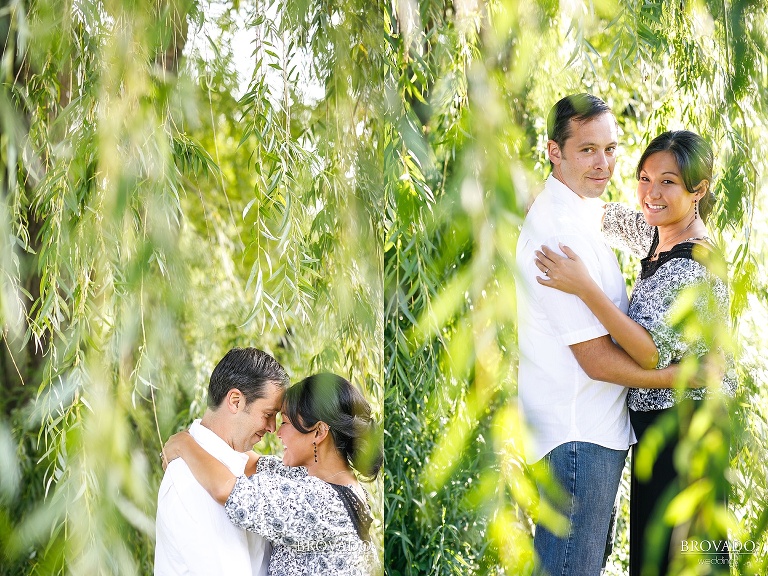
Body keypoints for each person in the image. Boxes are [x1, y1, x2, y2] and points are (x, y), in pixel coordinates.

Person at [535, 130, 736, 575]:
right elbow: (601, 214)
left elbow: (648, 354)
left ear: (698, 190)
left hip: (684, 433)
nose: (651, 193)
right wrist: (539, 195)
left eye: (668, 182)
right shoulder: (658, 237)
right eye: (644, 178)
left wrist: (585, 287)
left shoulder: (691, 266)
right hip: (660, 430)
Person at [516, 94, 690, 576]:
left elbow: (655, 222)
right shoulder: (555, 233)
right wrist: (680, 376)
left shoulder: (581, 211)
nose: (604, 164)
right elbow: (595, 360)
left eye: (611, 149)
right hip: (579, 438)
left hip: (595, 435)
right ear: (555, 150)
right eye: (588, 150)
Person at [161, 372, 383, 576]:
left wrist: (185, 445)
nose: (276, 432)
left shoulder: (323, 503)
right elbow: (248, 460)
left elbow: (229, 491)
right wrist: (212, 430)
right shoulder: (327, 483)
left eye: (285, 422)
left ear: (319, 432)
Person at [155, 347, 289, 576]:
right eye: (268, 414)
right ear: (235, 401)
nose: (272, 428)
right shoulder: (191, 482)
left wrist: (185, 444)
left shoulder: (233, 464)